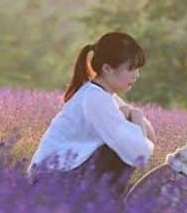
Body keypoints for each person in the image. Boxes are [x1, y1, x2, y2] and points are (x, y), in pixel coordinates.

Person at [28, 32, 156, 198]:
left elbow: (150, 139)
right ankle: (107, 207)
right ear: (107, 69)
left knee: (124, 127)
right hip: (51, 180)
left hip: (60, 176)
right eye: (131, 69)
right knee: (123, 136)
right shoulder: (94, 98)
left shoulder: (103, 96)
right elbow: (139, 152)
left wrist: (133, 115)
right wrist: (136, 117)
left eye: (138, 69)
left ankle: (106, 206)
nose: (136, 75)